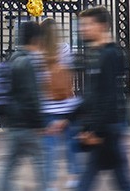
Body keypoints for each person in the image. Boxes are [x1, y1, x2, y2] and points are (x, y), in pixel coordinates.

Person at [73, 6, 130, 191]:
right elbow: (93, 94)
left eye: (87, 25)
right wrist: (72, 117)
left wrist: (96, 131)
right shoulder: (98, 53)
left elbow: (108, 95)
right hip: (107, 125)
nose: (83, 29)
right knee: (119, 178)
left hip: (109, 127)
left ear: (102, 26)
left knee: (110, 178)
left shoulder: (110, 54)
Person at [0, 21, 47, 191]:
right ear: (36, 39)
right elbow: (32, 96)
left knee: (9, 165)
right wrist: (40, 123)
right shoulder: (28, 62)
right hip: (27, 124)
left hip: (13, 120)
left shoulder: (14, 58)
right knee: (41, 162)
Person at [40, 18, 81, 190]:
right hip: (67, 104)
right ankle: (73, 176)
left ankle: (50, 183)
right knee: (71, 143)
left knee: (49, 148)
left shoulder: (39, 53)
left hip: (47, 106)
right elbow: (69, 74)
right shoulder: (65, 48)